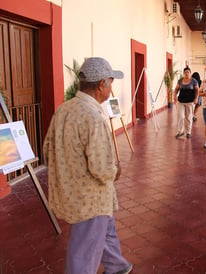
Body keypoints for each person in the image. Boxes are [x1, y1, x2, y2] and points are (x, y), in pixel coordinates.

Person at [43, 57, 133, 274]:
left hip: (76, 193)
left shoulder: (63, 110)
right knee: (85, 251)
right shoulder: (92, 116)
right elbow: (102, 169)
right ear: (102, 84)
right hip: (90, 200)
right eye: (111, 83)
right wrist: (116, 171)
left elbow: (47, 151)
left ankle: (117, 266)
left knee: (106, 229)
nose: (112, 89)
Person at [174, 67, 199, 138]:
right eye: (185, 72)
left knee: (188, 117)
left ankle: (188, 132)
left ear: (190, 73)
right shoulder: (180, 81)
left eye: (188, 72)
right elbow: (176, 89)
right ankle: (180, 131)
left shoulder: (194, 81)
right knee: (180, 116)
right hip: (181, 101)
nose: (187, 73)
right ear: (184, 73)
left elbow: (197, 90)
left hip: (190, 101)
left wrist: (196, 98)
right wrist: (174, 96)